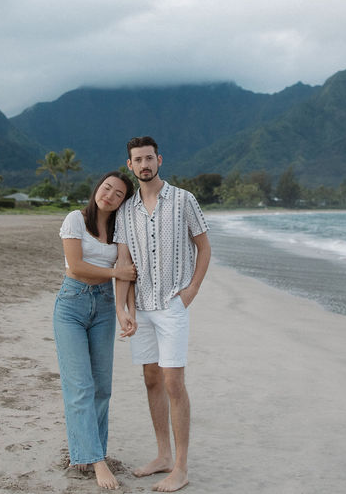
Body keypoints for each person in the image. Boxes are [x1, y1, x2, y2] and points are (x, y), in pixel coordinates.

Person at [114, 136, 211, 493]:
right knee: (151, 379)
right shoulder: (126, 211)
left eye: (149, 158)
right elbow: (123, 262)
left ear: (159, 160)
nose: (144, 164)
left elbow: (204, 246)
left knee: (173, 382)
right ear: (130, 165)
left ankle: (181, 467)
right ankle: (163, 456)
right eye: (137, 159)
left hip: (172, 303)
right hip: (141, 306)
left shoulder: (184, 199)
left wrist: (192, 291)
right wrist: (122, 308)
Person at [54, 170, 136, 490]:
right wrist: (115, 271)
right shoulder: (76, 219)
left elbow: (128, 273)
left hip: (103, 307)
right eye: (107, 188)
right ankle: (96, 459)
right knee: (80, 387)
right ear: (97, 188)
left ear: (122, 202)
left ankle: (87, 455)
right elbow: (76, 266)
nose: (110, 196)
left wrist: (123, 310)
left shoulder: (119, 229)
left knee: (102, 387)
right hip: (71, 306)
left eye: (118, 194)